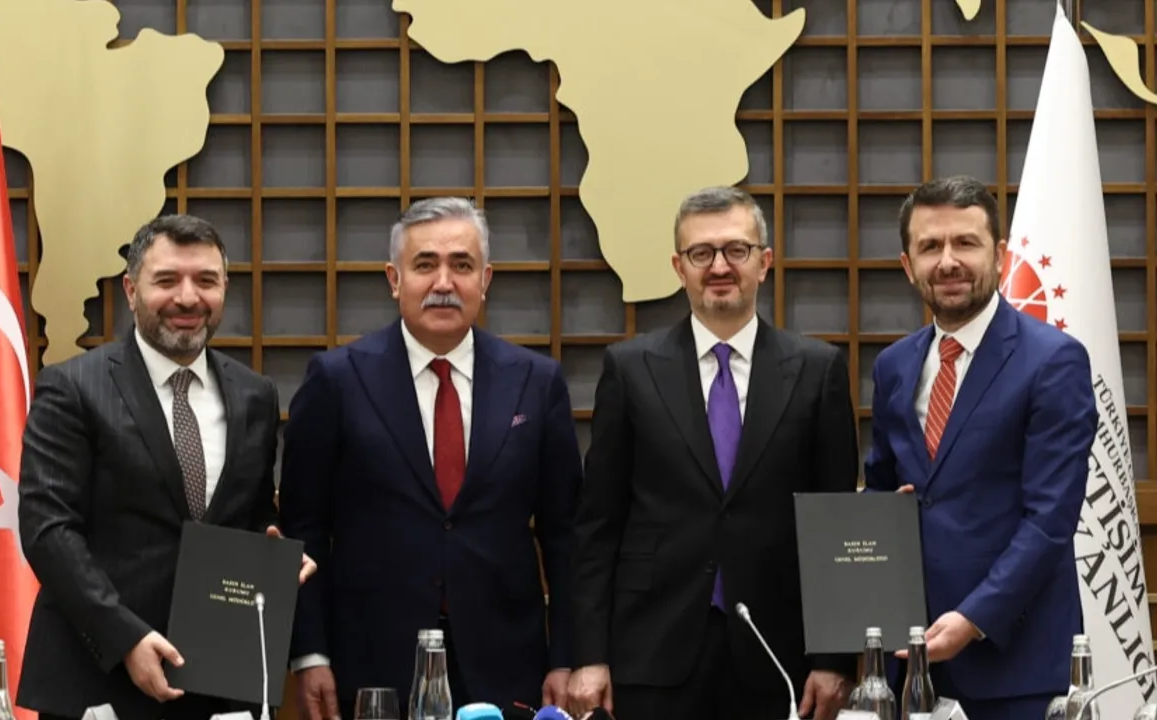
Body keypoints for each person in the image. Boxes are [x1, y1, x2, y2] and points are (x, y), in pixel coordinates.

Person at [279, 197, 582, 720]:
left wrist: (568, 656)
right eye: (425, 265)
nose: (444, 282)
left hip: (506, 663)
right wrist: (310, 652)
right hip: (372, 664)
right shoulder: (337, 380)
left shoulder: (536, 382)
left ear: (485, 279)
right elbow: (302, 528)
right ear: (394, 279)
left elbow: (566, 535)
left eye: (462, 265)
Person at [567, 186, 859, 720]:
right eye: (701, 253)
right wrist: (589, 655)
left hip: (780, 655)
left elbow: (836, 525)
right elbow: (598, 525)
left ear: (764, 263)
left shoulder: (817, 371)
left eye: (736, 250)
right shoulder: (630, 370)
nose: (719, 266)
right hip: (652, 651)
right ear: (679, 268)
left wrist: (835, 658)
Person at [14, 214, 316, 720]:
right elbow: (48, 529)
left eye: (206, 280)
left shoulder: (255, 395)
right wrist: (125, 637)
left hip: (219, 681)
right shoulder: (74, 387)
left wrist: (276, 555)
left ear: (225, 288)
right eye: (167, 280)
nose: (188, 298)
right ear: (131, 290)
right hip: (99, 676)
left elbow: (252, 514)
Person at [863, 176, 1096, 720]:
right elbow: (880, 492)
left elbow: (1050, 520)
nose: (948, 261)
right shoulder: (893, 366)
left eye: (965, 243)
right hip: (911, 664)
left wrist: (973, 620)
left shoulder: (1053, 361)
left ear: (999, 254)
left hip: (1014, 663)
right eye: (930, 246)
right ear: (908, 265)